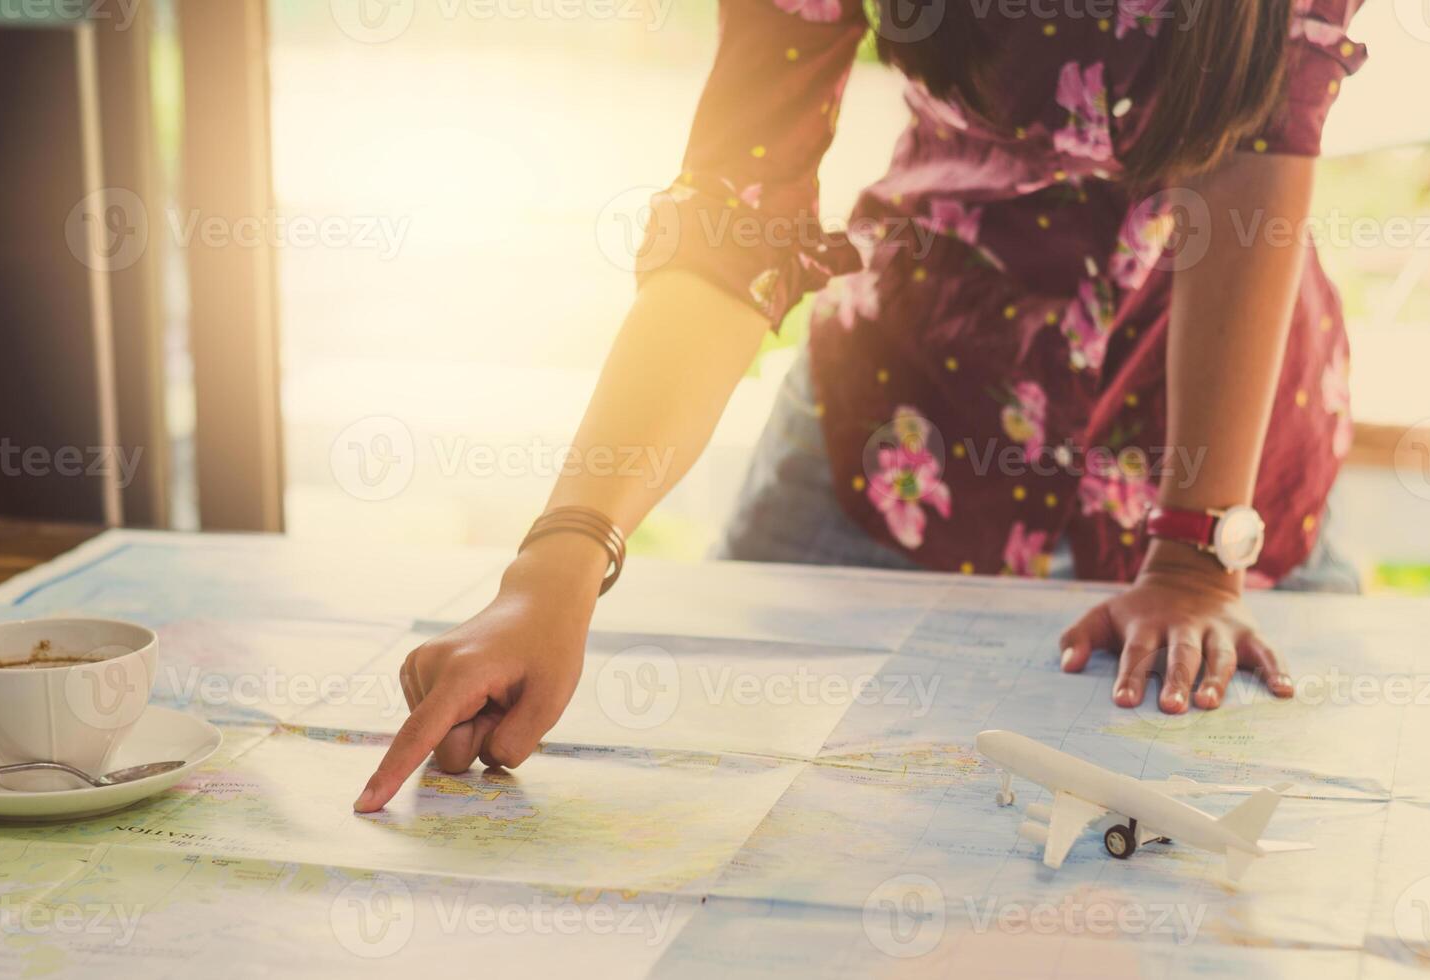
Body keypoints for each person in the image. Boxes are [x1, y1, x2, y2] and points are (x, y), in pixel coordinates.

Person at [353, 0, 1367, 813]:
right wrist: (558, 562)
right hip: (898, 438)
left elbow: (1248, 173)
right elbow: (735, 222)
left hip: (1217, 482)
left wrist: (1195, 554)